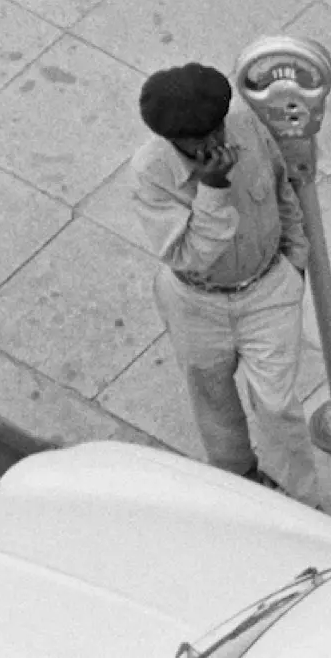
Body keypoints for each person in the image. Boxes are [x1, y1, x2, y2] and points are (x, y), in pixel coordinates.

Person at [130, 62, 318, 503]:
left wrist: (295, 261)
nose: (215, 143)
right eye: (199, 140)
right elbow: (188, 254)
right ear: (172, 139)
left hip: (267, 288)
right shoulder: (149, 174)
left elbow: (280, 187)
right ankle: (238, 481)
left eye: (217, 129)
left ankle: (302, 501)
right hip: (196, 300)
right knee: (212, 394)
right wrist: (212, 189)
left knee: (278, 406)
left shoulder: (247, 127)